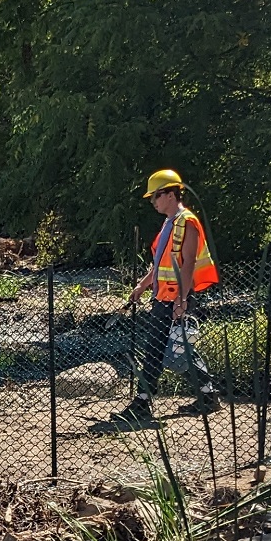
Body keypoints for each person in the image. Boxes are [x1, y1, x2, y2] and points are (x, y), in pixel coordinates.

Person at [111, 169, 220, 424]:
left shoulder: (187, 222)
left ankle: (142, 403)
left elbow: (189, 263)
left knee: (157, 350)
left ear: (171, 194)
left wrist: (181, 301)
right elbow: (160, 264)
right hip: (165, 297)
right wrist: (142, 285)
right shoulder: (170, 223)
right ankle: (208, 395)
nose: (153, 202)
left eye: (156, 196)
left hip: (174, 299)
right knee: (173, 348)